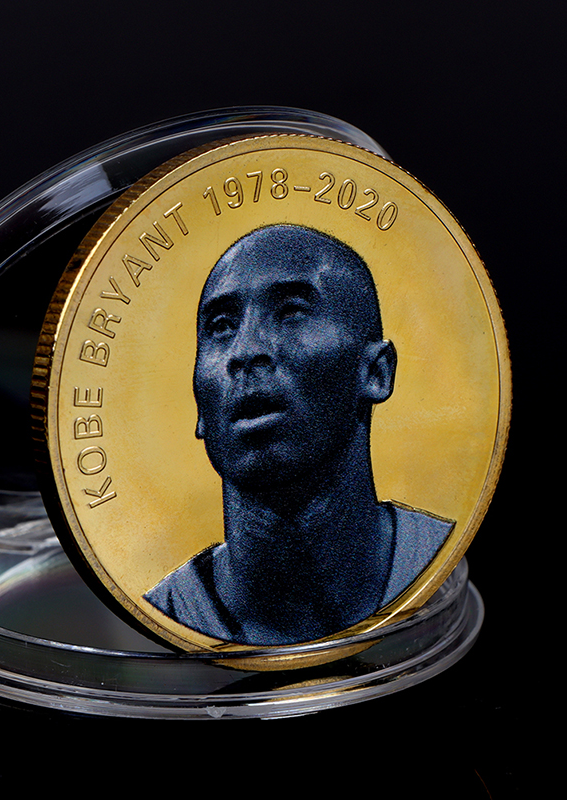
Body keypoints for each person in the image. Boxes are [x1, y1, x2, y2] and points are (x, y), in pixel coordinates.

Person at [144, 224, 453, 645]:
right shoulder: (159, 616)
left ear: (375, 372)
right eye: (221, 326)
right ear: (200, 407)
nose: (245, 351)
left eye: (291, 313)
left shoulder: (439, 559)